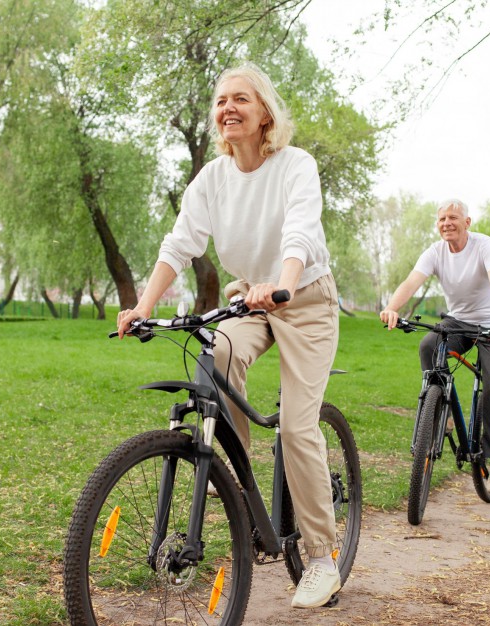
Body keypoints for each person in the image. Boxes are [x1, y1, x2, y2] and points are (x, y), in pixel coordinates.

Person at [116, 63, 342, 609]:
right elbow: (179, 244)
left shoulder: (295, 166)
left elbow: (300, 233)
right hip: (249, 298)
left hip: (303, 300)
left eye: (240, 98)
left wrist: (282, 287)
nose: (227, 109)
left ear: (264, 112)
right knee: (214, 356)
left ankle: (320, 557)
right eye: (220, 101)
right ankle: (245, 497)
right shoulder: (213, 179)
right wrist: (143, 306)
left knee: (295, 423)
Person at [380, 198, 490, 493]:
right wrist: (392, 307)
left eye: (453, 218)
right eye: (442, 219)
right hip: (458, 321)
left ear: (467, 222)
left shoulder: (485, 246)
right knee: (428, 346)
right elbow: (411, 282)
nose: (446, 224)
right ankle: (445, 411)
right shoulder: (436, 252)